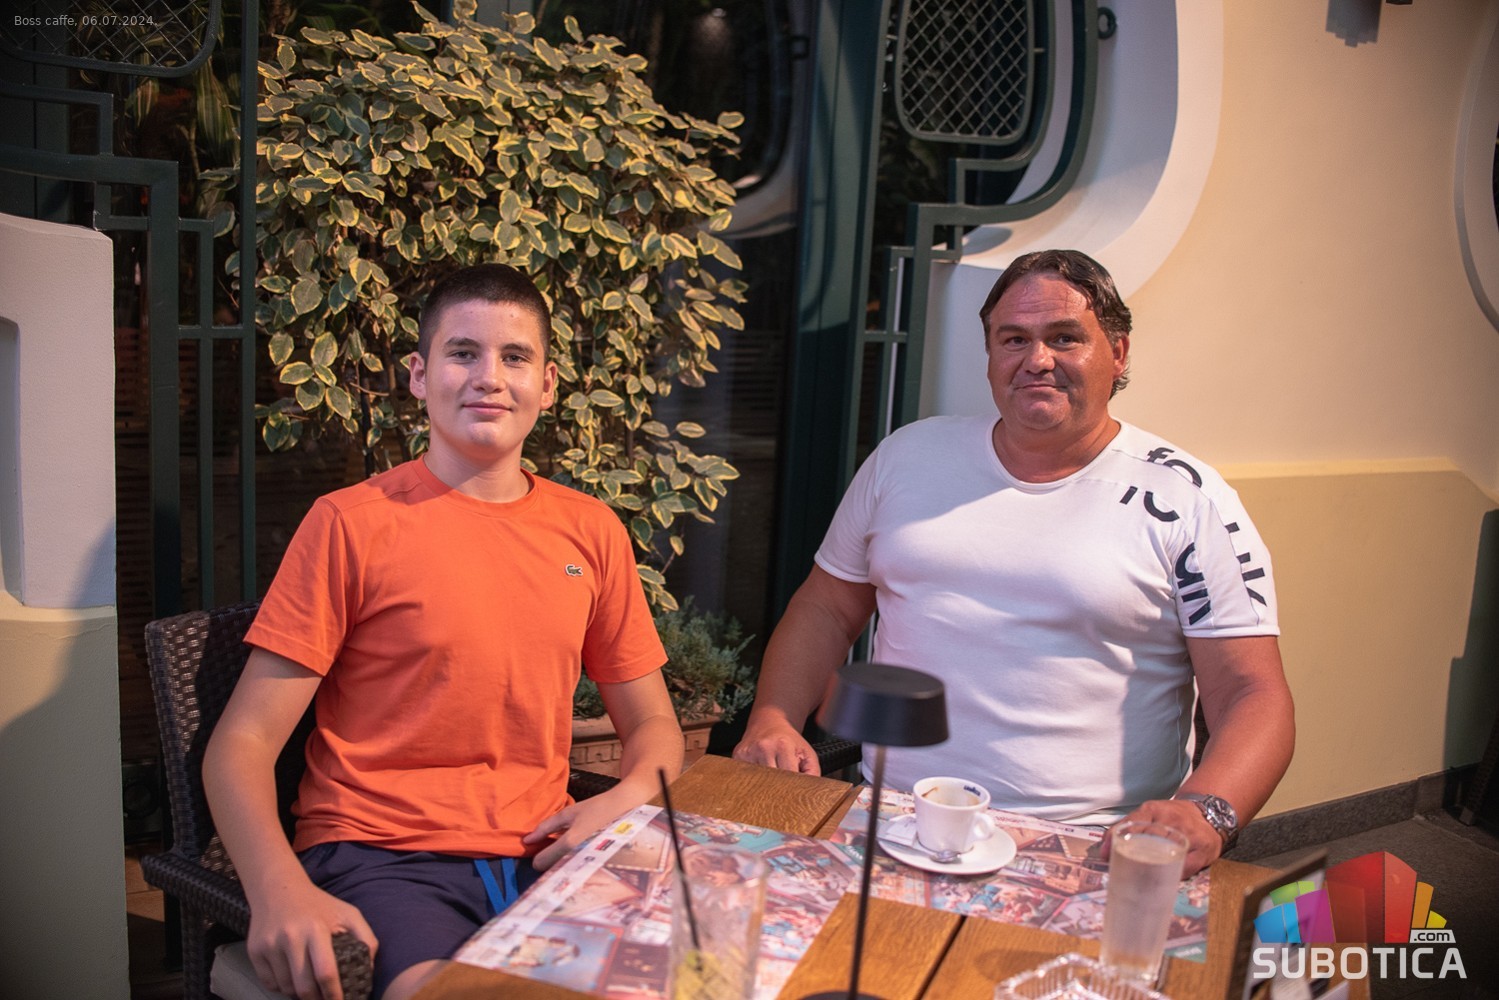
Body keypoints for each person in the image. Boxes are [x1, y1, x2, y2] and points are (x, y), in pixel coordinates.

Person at [204, 264, 684, 1000]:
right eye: (463, 353)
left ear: (547, 385)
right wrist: (276, 889)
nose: (489, 377)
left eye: (514, 357)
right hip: (383, 856)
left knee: (705, 965)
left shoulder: (591, 531)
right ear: (419, 376)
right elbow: (241, 744)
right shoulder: (350, 525)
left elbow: (653, 723)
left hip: (547, 852)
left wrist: (621, 801)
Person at [734, 249, 1293, 877]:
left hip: (1093, 845)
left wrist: (1205, 811)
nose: (1037, 360)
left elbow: (1251, 692)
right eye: (1014, 339)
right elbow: (826, 608)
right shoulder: (907, 457)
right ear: (991, 354)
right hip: (895, 818)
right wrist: (773, 717)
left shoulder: (1190, 500)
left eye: (1065, 338)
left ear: (1118, 353)